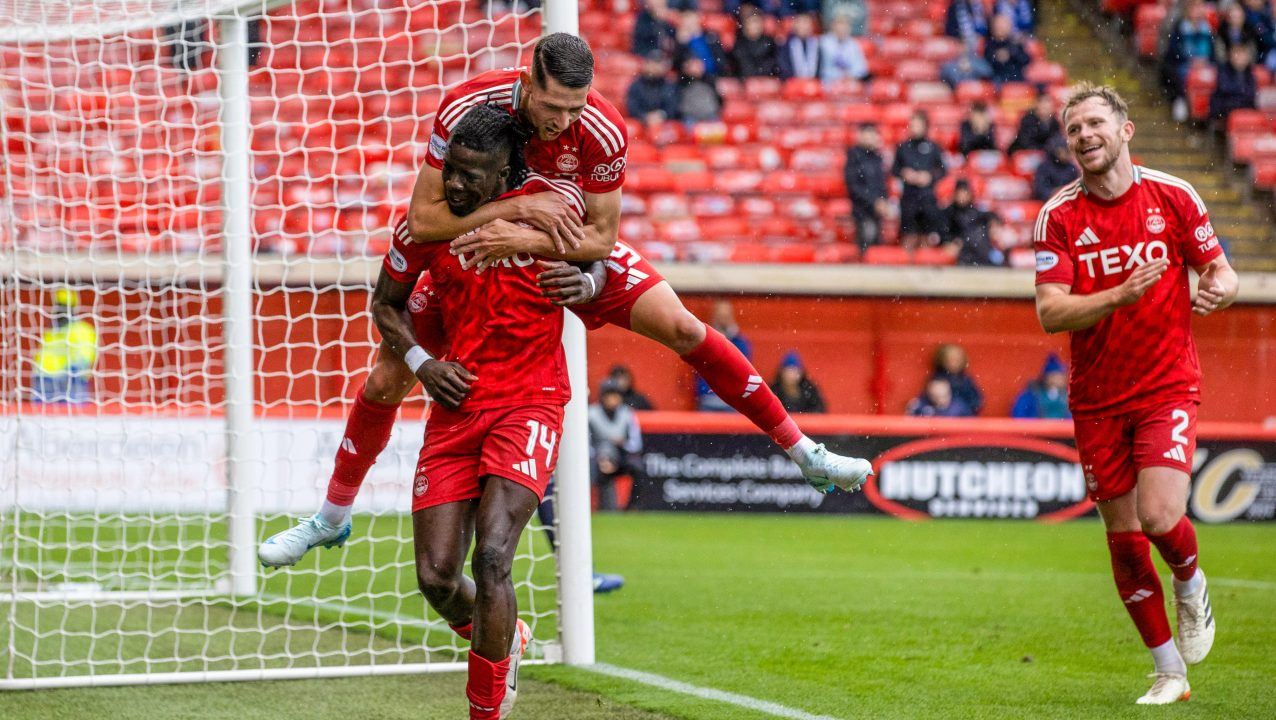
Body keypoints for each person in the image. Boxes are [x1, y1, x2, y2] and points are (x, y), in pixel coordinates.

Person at [260, 34, 872, 569]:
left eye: (573, 108)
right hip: (472, 244)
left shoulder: (602, 128)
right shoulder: (469, 106)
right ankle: (331, 517)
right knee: (389, 375)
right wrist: (517, 209)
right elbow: (423, 218)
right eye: (552, 107)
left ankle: (804, 451)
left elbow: (602, 236)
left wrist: (552, 252)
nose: (561, 122)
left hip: (563, 255)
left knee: (682, 326)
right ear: (527, 83)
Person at [1034, 82, 1239, 704]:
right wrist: (1119, 295)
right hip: (1096, 397)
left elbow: (1220, 270)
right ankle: (1168, 672)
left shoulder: (1173, 196)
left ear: (1126, 130)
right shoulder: (1058, 216)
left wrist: (1220, 289)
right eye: (1073, 129)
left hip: (1166, 384)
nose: (1084, 135)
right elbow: (1051, 312)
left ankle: (1189, 579)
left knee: (1158, 517)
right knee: (1123, 536)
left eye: (1094, 122)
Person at [31, 288, 97, 404]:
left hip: (69, 382)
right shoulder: (52, 331)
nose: (59, 312)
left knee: (72, 418)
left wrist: (72, 371)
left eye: (63, 307)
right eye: (57, 307)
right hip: (44, 381)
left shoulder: (81, 329)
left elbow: (84, 356)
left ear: (71, 309)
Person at [892, 110, 946, 249]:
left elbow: (942, 170)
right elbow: (894, 170)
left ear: (925, 126)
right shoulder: (903, 147)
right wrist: (905, 174)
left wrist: (929, 176)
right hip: (909, 197)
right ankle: (906, 266)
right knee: (909, 235)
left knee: (927, 236)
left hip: (927, 198)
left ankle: (926, 264)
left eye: (917, 124)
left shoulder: (933, 147)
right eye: (912, 124)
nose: (914, 127)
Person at [588, 379, 644, 511]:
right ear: (603, 396)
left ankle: (631, 509)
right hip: (597, 458)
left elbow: (636, 444)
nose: (613, 399)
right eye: (609, 395)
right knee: (594, 465)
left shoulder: (627, 413)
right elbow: (587, 445)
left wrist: (622, 444)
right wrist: (599, 456)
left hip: (620, 455)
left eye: (616, 395)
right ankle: (590, 508)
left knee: (638, 468)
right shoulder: (591, 413)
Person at [695, 300, 752, 411]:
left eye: (725, 316)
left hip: (732, 402)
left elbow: (741, 368)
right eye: (720, 315)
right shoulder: (704, 339)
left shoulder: (740, 341)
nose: (723, 319)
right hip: (708, 399)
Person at [844, 123, 890, 252]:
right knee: (866, 244)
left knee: (876, 247)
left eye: (874, 134)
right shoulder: (854, 156)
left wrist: (883, 201)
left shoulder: (877, 157)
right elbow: (853, 186)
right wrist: (874, 202)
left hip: (876, 212)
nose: (872, 137)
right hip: (862, 210)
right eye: (869, 134)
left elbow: (882, 184)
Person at [939, 179, 1005, 266]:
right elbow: (943, 232)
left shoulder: (975, 211)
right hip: (961, 249)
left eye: (965, 193)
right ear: (955, 194)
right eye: (960, 193)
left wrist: (994, 226)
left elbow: (991, 216)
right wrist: (949, 242)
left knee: (980, 232)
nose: (962, 196)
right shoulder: (949, 213)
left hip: (978, 248)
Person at [626, 50, 679, 126]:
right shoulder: (636, 84)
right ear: (646, 64)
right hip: (641, 124)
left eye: (658, 63)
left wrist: (662, 115)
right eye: (652, 62)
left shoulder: (669, 85)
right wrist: (645, 117)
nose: (655, 67)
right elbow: (632, 107)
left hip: (664, 124)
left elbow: (672, 106)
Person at [1011, 352, 1071, 419]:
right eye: (1056, 376)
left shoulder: (1067, 396)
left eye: (1061, 376)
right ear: (1047, 377)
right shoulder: (1030, 395)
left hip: (1064, 429)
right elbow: (1019, 415)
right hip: (1035, 428)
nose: (1060, 379)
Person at [672, 10, 730, 78]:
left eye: (691, 21)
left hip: (715, 76)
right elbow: (677, 64)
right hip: (691, 78)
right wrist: (681, 44)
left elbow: (721, 59)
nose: (689, 25)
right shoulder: (680, 41)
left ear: (698, 20)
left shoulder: (711, 36)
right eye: (686, 23)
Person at [930, 342, 984, 414]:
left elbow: (977, 400)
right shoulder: (937, 378)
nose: (954, 363)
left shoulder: (965, 379)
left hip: (964, 417)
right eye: (950, 360)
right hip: (941, 417)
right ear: (942, 361)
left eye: (957, 360)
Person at [1210, 43, 1258, 121]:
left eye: (1242, 55)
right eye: (1237, 55)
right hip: (1226, 106)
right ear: (1230, 57)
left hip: (1244, 105)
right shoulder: (1224, 70)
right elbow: (1224, 88)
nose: (1239, 59)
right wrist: (1241, 91)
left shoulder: (1249, 72)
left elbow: (1251, 92)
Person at [731, 10, 782, 78]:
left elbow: (773, 63)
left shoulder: (769, 41)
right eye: (752, 22)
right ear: (745, 25)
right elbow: (743, 66)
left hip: (767, 79)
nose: (755, 26)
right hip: (746, 80)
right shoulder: (739, 43)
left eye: (757, 22)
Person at [983, 13, 1030, 86]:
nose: (1000, 28)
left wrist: (1011, 53)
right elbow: (987, 65)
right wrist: (996, 56)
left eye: (1003, 25)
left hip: (1017, 78)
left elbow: (1026, 60)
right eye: (998, 25)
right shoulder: (989, 45)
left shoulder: (1015, 43)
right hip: (998, 79)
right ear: (992, 28)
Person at [819, 15, 869, 82]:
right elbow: (822, 68)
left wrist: (850, 76)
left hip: (850, 82)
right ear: (833, 26)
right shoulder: (823, 42)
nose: (842, 29)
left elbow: (861, 68)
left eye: (845, 26)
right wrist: (840, 76)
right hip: (829, 82)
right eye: (839, 25)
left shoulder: (853, 44)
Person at [675, 55, 723, 123]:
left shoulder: (709, 79)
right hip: (690, 116)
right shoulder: (683, 81)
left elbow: (718, 98)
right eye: (695, 65)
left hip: (710, 115)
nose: (698, 68)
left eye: (699, 65)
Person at [1033, 134, 1080, 201]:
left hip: (1068, 202)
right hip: (1048, 203)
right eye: (1066, 151)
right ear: (1056, 151)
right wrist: (1055, 193)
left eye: (1069, 151)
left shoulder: (1071, 168)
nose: (1069, 154)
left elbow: (1077, 187)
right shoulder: (1044, 168)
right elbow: (1040, 190)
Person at [778, 13, 822, 79]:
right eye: (800, 23)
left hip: (813, 83)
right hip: (793, 82)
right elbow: (784, 67)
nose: (804, 26)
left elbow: (820, 68)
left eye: (806, 23)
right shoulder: (786, 44)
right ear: (795, 25)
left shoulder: (817, 44)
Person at [906, 377, 972, 417]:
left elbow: (970, 427)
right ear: (929, 394)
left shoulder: (960, 407)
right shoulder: (918, 406)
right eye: (935, 396)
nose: (940, 400)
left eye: (944, 395)